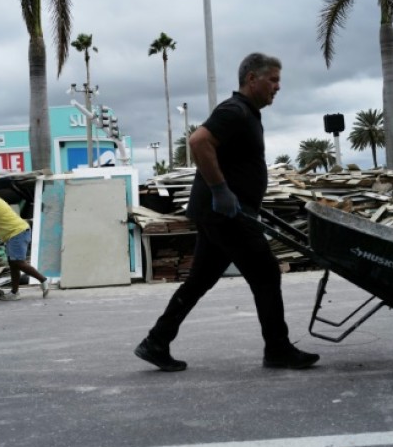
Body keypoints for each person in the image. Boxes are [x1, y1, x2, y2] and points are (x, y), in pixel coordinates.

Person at [134, 52, 320, 372]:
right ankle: (277, 349)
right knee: (265, 273)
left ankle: (156, 341)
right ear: (251, 79)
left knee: (199, 280)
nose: (278, 86)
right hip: (226, 214)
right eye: (272, 79)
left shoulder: (247, 113)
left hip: (225, 213)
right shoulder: (234, 111)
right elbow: (198, 141)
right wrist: (221, 190)